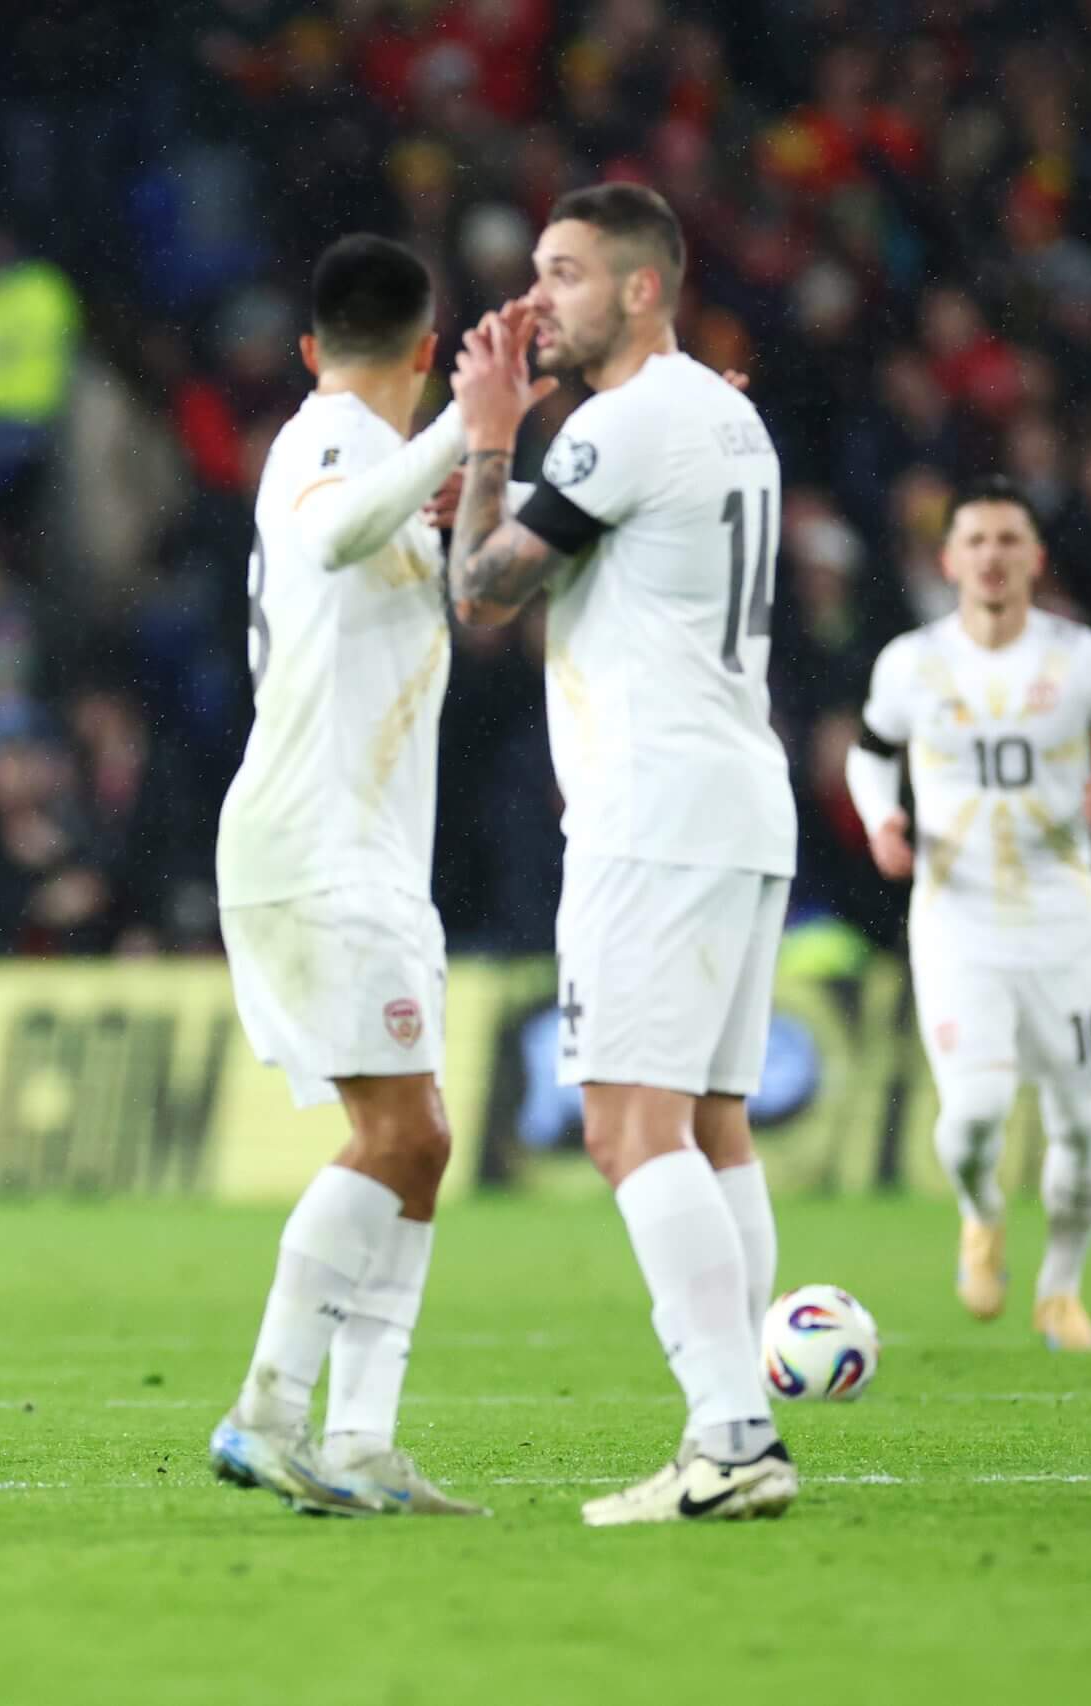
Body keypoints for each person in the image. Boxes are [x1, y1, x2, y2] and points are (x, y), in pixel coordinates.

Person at [447, 185, 798, 1526]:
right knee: (710, 1127)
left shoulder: (624, 422)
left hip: (654, 813)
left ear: (643, 288)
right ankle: (746, 1408)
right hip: (730, 800)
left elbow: (481, 588)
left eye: (568, 275)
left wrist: (491, 442)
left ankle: (730, 1431)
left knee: (622, 1127)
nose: (541, 304)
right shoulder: (724, 411)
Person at [206, 235, 485, 1519]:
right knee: (403, 1132)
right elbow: (328, 542)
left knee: (420, 1147)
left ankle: (363, 1437)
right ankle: (267, 1410)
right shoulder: (331, 438)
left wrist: (479, 459)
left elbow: (463, 598)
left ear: (312, 341)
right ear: (427, 354)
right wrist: (458, 436)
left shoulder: (393, 469)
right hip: (315, 842)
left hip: (365, 846)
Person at [844, 478, 1091, 1352]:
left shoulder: (1080, 659)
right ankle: (979, 1210)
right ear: (950, 558)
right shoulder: (912, 663)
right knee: (976, 1113)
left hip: (1061, 922)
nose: (992, 556)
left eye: (1009, 540)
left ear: (1034, 558)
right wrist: (884, 817)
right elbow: (869, 756)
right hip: (958, 919)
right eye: (977, 541)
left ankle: (1061, 1291)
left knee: (1078, 1117)